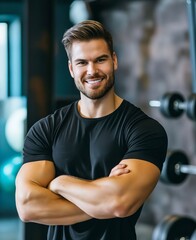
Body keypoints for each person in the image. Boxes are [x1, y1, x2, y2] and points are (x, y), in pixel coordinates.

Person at [15, 20, 168, 240]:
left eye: (100, 60)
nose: (92, 70)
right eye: (81, 62)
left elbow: (119, 203)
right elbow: (28, 206)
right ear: (71, 68)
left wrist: (59, 183)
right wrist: (103, 197)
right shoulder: (46, 129)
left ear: (114, 60)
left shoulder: (144, 130)